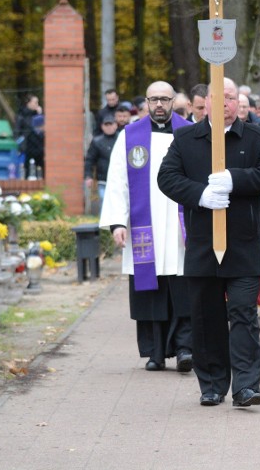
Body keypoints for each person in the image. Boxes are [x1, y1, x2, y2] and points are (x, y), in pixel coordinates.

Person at [157, 77, 260, 408]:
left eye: (231, 97)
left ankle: (246, 386)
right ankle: (212, 384)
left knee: (243, 314)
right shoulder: (186, 138)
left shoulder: (255, 137)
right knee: (205, 317)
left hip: (243, 244)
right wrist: (200, 194)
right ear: (206, 101)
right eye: (219, 97)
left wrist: (235, 180)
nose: (225, 103)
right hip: (202, 245)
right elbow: (167, 178)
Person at [99, 81, 193, 373]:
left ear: (174, 99)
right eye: (154, 100)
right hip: (145, 225)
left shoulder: (189, 133)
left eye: (165, 99)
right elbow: (117, 182)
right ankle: (154, 352)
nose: (160, 105)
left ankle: (184, 348)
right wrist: (117, 222)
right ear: (146, 103)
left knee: (182, 287)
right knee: (149, 289)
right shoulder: (130, 135)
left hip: (179, 227)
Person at [84, 114, 121, 212]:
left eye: (111, 124)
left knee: (120, 204)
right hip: (103, 179)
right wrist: (88, 176)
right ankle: (104, 226)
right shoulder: (96, 142)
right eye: (106, 125)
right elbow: (89, 159)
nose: (109, 127)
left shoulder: (122, 138)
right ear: (102, 126)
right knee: (104, 204)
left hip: (120, 179)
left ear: (115, 125)